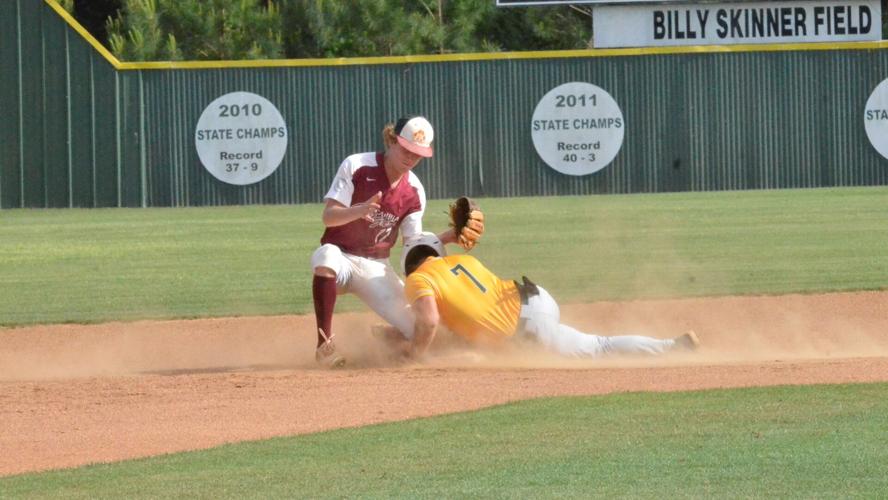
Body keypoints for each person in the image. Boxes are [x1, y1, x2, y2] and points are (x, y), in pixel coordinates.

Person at [310, 116, 469, 368]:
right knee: (325, 256)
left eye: (417, 155)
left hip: (376, 268)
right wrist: (359, 210)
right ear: (392, 140)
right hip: (341, 257)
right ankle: (324, 346)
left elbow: (412, 246)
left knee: (424, 331)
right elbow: (329, 217)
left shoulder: (414, 191)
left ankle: (389, 335)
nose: (410, 159)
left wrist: (448, 236)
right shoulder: (357, 165)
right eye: (406, 150)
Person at [391, 232, 700, 360]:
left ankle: (670, 347)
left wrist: (415, 355)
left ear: (409, 265)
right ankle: (674, 346)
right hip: (537, 299)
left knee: (597, 350)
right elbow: (463, 316)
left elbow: (430, 321)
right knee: (598, 344)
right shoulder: (462, 261)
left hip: (526, 330)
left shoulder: (419, 279)